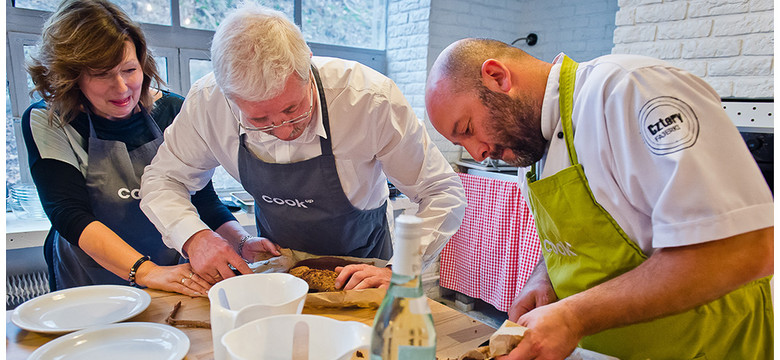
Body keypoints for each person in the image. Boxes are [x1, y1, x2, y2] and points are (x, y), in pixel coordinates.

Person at [425, 38, 773, 359]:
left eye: (467, 129)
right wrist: (542, 279)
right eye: (462, 145)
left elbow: (744, 248)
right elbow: (580, 242)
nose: (478, 152)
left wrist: (574, 317)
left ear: (497, 77)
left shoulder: (629, 90)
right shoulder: (529, 151)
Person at [139, 3, 466, 289]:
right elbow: (162, 180)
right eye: (260, 120)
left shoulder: (369, 100)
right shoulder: (207, 104)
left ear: (307, 63)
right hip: (278, 273)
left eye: (293, 110)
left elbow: (441, 192)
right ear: (228, 97)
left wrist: (401, 270)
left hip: (366, 272)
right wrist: (194, 237)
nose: (282, 132)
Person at [23, 0, 248, 296]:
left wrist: (243, 242)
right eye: (102, 74)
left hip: (170, 272)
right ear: (73, 76)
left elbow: (202, 200)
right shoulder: (50, 120)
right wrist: (147, 272)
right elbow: (69, 214)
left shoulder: (173, 110)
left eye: (129, 69)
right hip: (90, 281)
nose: (121, 87)